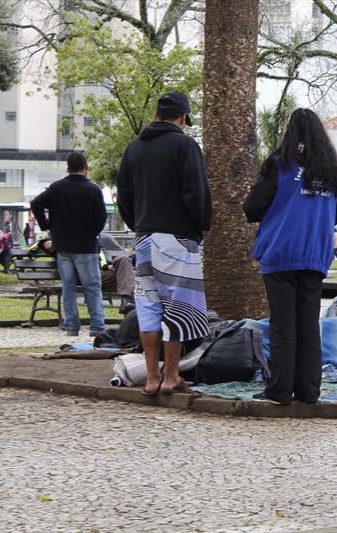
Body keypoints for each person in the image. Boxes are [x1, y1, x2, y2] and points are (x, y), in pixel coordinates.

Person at [243, 108, 337, 405]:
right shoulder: (330, 172)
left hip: (281, 252)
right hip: (315, 254)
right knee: (309, 325)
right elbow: (335, 213)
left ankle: (279, 390)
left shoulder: (280, 165)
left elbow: (252, 207)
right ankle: (309, 390)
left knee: (283, 324)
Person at [116, 91, 212, 396]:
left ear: (157, 114)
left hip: (143, 238)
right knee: (178, 308)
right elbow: (196, 192)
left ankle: (150, 377)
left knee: (148, 307)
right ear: (183, 118)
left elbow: (124, 196)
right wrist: (200, 227)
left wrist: (139, 224)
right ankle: (171, 376)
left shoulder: (133, 149)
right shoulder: (185, 145)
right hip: (177, 239)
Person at [31, 153, 107, 337]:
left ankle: (72, 326)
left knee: (68, 287)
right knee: (92, 287)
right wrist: (92, 232)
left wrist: (47, 225)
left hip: (62, 245)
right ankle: (97, 327)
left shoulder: (57, 188)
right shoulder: (93, 190)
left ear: (67, 168)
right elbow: (101, 217)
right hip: (86, 246)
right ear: (86, 169)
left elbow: (36, 203)